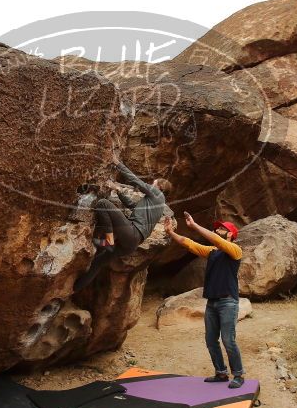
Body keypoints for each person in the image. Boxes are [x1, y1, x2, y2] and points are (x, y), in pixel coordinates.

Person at [164, 212, 246, 388]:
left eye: (222, 229)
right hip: (212, 302)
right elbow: (189, 244)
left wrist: (194, 226)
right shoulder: (212, 252)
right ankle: (221, 373)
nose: (218, 231)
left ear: (231, 235)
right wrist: (171, 232)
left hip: (228, 302)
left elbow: (217, 241)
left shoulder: (235, 251)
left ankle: (238, 375)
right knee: (210, 340)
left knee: (228, 340)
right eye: (217, 229)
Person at [73, 159, 172, 292]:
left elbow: (136, 180)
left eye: (153, 183)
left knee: (103, 203)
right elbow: (132, 205)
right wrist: (118, 190)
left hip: (132, 232)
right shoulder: (157, 204)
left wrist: (117, 164)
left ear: (159, 188)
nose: (150, 185)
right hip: (131, 244)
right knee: (98, 262)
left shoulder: (157, 194)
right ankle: (74, 288)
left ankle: (109, 240)